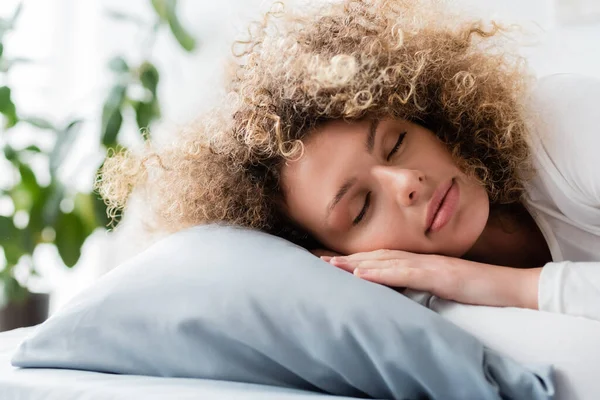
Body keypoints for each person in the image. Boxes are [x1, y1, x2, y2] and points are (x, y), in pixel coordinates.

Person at [96, 0, 600, 320]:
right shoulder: (409, 304)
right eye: (360, 208)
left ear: (432, 118)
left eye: (397, 142)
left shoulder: (559, 122)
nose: (407, 181)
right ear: (331, 256)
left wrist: (492, 283)